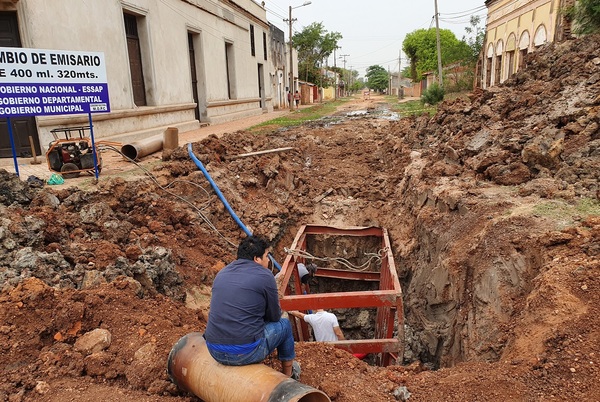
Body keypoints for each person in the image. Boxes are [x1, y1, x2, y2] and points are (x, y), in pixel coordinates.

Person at [204, 235, 300, 379]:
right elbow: (274, 316)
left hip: (214, 350)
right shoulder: (265, 276)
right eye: (267, 256)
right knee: (285, 324)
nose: (268, 260)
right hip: (244, 353)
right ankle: (289, 375)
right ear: (257, 259)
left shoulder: (222, 273)